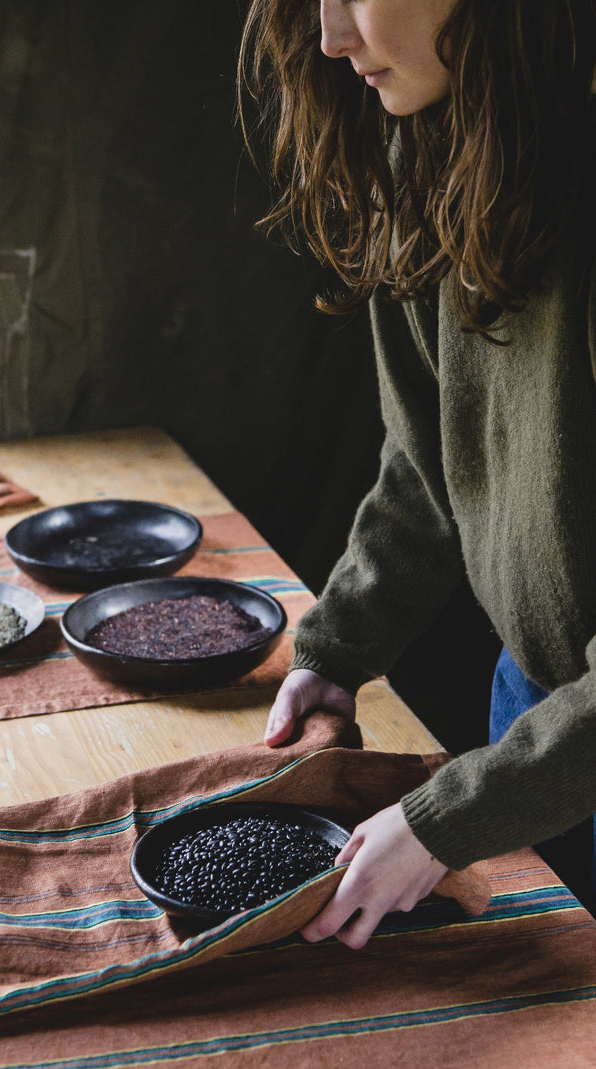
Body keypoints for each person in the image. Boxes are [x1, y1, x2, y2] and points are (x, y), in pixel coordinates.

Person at [238, 0, 596, 948]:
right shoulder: (431, 151)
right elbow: (429, 459)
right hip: (537, 712)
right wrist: (337, 650)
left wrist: (452, 818)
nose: (330, 38)